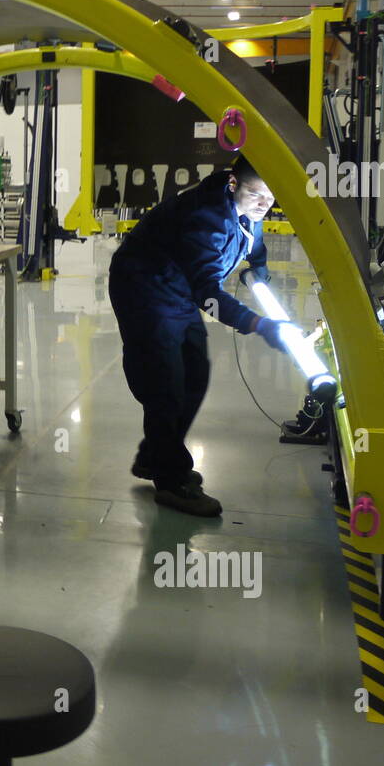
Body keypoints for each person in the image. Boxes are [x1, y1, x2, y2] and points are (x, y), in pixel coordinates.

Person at [108, 155, 290, 517]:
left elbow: (254, 242)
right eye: (257, 195)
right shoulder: (206, 220)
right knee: (165, 384)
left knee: (195, 373)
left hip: (177, 289)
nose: (264, 205)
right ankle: (172, 481)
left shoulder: (247, 209)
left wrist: (260, 270)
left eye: (271, 199)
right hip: (144, 288)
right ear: (234, 184)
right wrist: (258, 325)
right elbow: (207, 294)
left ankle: (155, 455)